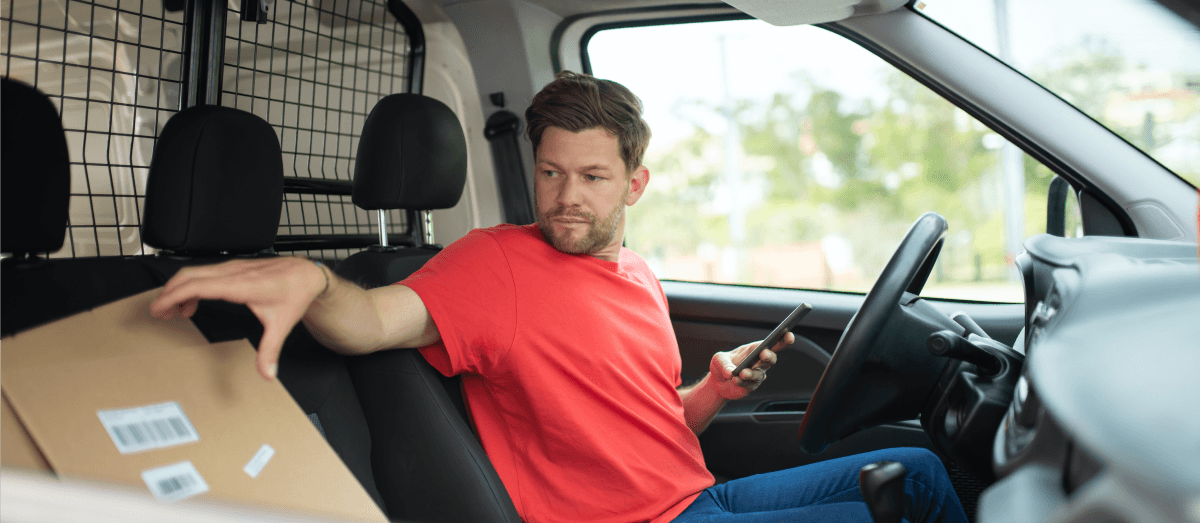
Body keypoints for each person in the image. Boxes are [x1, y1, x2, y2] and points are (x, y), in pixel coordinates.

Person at [151, 71, 967, 523]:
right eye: (549, 172)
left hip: (695, 495)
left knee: (924, 472)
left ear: (635, 184)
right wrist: (317, 279)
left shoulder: (638, 275)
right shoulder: (495, 264)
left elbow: (647, 426)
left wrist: (714, 389)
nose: (565, 196)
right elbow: (371, 322)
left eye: (591, 177)